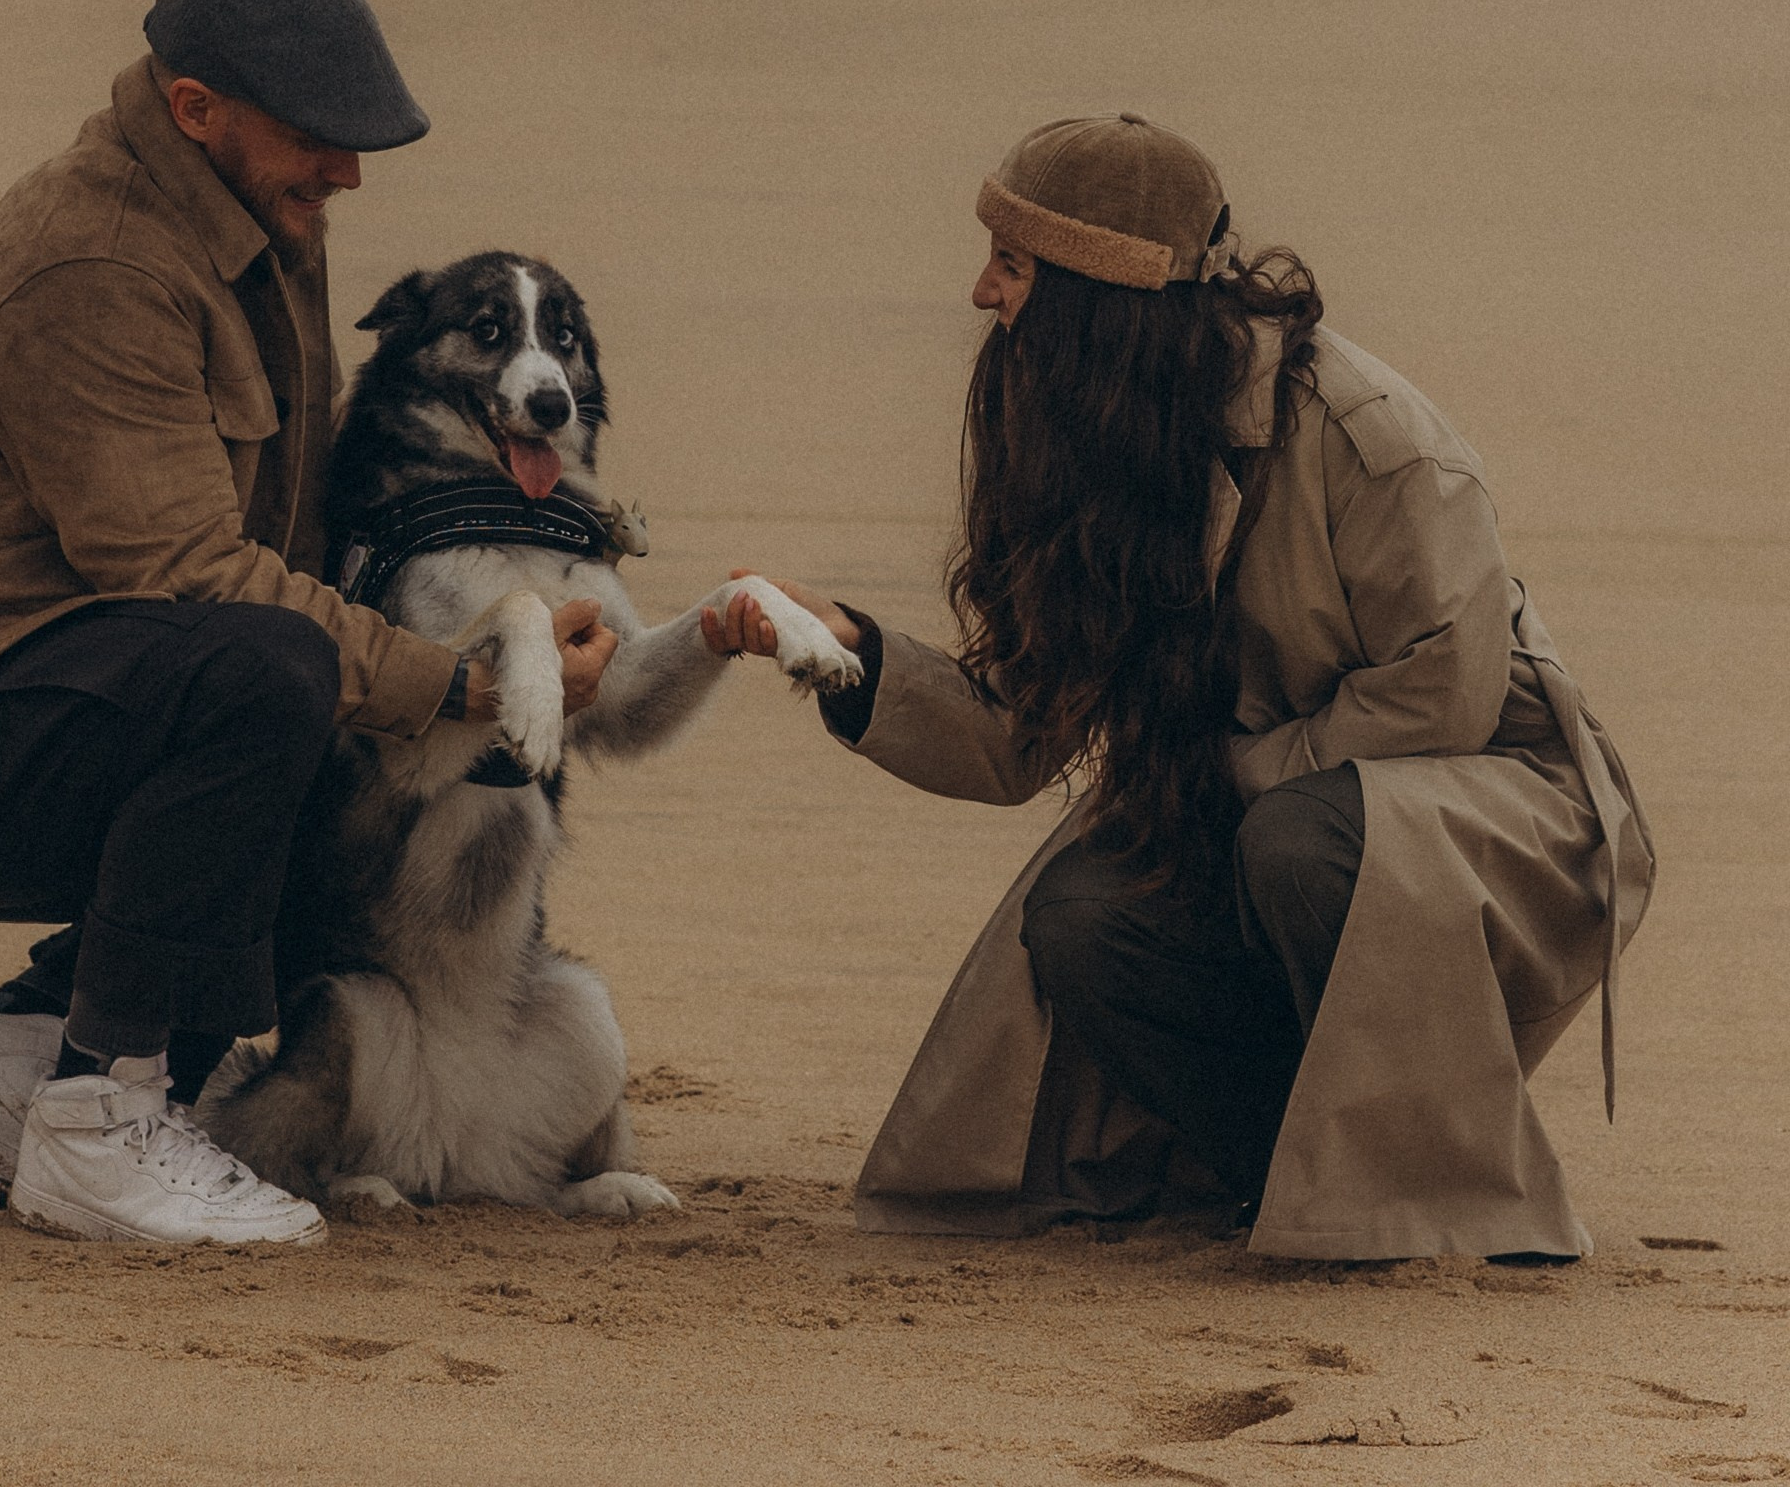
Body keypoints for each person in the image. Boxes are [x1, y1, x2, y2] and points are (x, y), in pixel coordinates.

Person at [706, 113, 1652, 1261]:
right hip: (1269, 811)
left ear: (1104, 294)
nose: (979, 293)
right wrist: (844, 653)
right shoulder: (1093, 434)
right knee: (1081, 919)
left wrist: (1233, 782)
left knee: (1297, 843)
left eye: (1012, 265)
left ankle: (1422, 1185)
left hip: (1505, 819)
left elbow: (1443, 700)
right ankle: (1285, 1172)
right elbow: (1014, 737)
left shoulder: (1374, 438)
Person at [0, 0, 617, 1251]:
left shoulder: (254, 217)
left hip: (66, 696)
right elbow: (191, 578)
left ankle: (14, 1050)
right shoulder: (96, 271)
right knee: (269, 677)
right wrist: (463, 682)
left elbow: (298, 519)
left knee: (311, 703)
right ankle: (102, 1127)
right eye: (322, 138)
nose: (347, 171)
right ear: (196, 110)